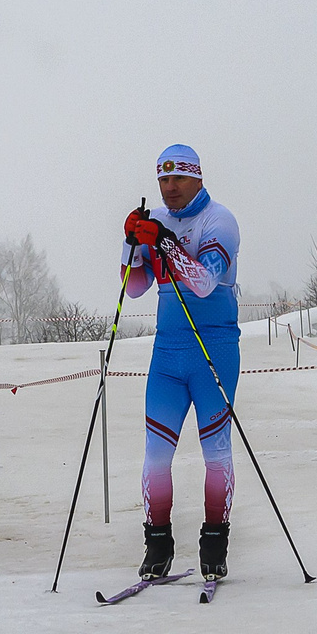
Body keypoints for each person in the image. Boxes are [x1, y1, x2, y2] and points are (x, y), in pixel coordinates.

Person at [121, 142, 242, 582]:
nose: (169, 188)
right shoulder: (157, 218)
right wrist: (130, 244)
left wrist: (166, 244)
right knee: (155, 456)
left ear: (197, 178)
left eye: (177, 179)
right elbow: (134, 287)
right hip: (168, 354)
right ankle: (158, 543)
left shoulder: (219, 220)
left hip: (214, 350)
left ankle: (215, 540)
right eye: (162, 180)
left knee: (216, 452)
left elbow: (206, 283)